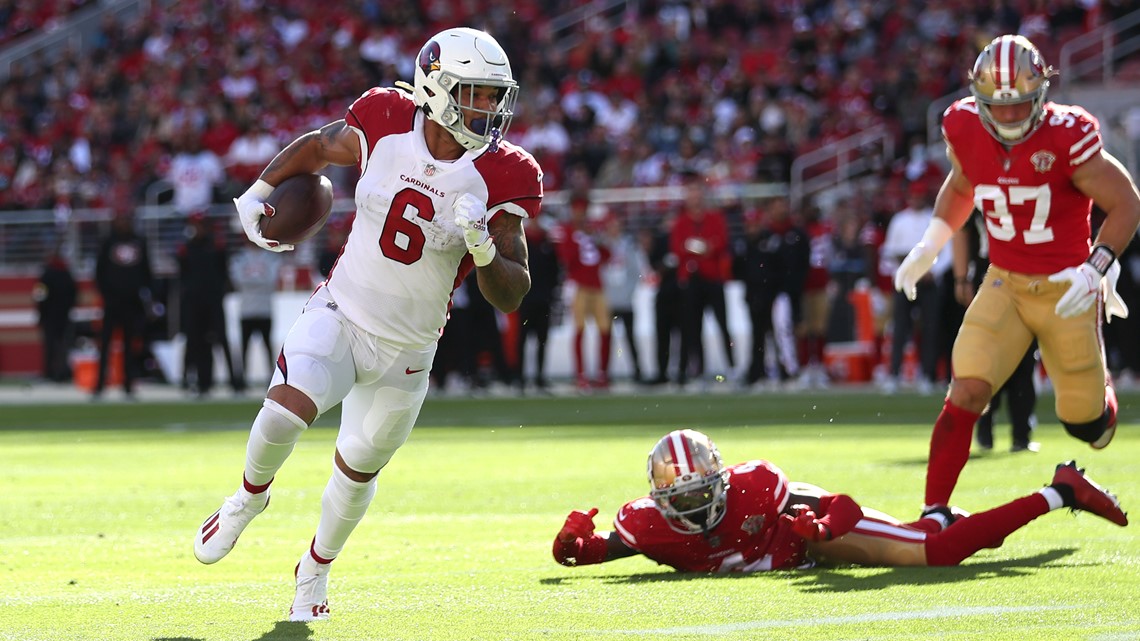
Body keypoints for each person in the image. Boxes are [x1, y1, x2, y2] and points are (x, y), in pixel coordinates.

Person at [193, 27, 541, 622]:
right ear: (436, 87)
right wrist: (260, 189)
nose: (488, 108)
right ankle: (246, 500)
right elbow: (319, 147)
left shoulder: (508, 173)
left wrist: (482, 245)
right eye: (475, 93)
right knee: (282, 413)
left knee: (356, 471)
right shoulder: (385, 117)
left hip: (409, 348)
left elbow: (511, 294)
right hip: (343, 310)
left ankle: (314, 571)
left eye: (493, 95)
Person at [893, 35, 1140, 516]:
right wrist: (932, 241)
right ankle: (934, 511)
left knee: (1086, 426)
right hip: (1005, 279)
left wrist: (1098, 267)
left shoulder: (1068, 133)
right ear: (978, 99)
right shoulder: (963, 123)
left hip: (1068, 285)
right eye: (997, 107)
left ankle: (1101, 393)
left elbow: (1127, 203)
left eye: (1019, 105)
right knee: (966, 387)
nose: (1008, 117)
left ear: (1041, 93)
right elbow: (964, 181)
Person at [552, 430, 1127, 573]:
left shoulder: (758, 486)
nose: (700, 506)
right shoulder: (648, 526)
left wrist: (824, 529)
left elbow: (840, 504)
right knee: (933, 536)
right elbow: (601, 552)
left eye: (704, 490)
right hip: (811, 554)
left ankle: (1059, 490)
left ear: (723, 478)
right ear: (659, 498)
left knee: (940, 551)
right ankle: (936, 516)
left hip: (813, 548)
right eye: (687, 496)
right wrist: (571, 546)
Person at [952, 210, 1039, 453]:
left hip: (1024, 273)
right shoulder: (983, 183)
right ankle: (987, 430)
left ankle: (1019, 433)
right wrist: (961, 278)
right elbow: (961, 228)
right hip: (992, 274)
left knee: (1021, 357)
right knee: (986, 356)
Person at [882, 182, 949, 394]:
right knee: (901, 328)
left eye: (919, 196)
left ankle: (927, 375)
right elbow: (889, 252)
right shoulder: (899, 220)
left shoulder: (934, 218)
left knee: (931, 328)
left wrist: (934, 271)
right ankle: (894, 374)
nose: (916, 199)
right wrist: (904, 271)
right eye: (913, 196)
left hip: (929, 282)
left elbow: (947, 251)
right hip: (905, 281)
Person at [177, 213, 242, 397]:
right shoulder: (187, 249)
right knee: (196, 342)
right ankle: (201, 382)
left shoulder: (217, 247)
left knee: (221, 339)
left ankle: (235, 382)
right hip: (194, 302)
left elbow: (223, 272)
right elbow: (183, 275)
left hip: (213, 301)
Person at [93, 209, 153, 399]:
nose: (123, 223)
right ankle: (100, 385)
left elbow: (147, 271)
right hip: (112, 303)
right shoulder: (108, 242)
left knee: (130, 345)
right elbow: (99, 272)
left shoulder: (139, 242)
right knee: (106, 344)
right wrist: (106, 294)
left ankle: (128, 385)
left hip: (132, 303)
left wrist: (143, 294)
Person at [556, 192, 612, 390]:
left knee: (605, 329)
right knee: (579, 329)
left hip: (597, 284)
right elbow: (566, 258)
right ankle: (580, 374)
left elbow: (606, 254)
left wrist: (596, 238)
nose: (581, 212)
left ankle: (602, 373)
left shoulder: (592, 230)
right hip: (578, 284)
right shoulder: (566, 230)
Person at [600, 213, 647, 384]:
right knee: (606, 339)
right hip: (607, 300)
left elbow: (636, 271)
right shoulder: (602, 245)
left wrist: (630, 291)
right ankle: (604, 373)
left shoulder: (628, 245)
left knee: (630, 338)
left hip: (625, 299)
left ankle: (637, 371)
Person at [229, 239, 282, 389]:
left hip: (265, 309)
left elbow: (271, 281)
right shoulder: (239, 258)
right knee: (245, 348)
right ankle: (241, 380)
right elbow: (238, 281)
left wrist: (251, 280)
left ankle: (271, 379)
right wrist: (259, 279)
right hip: (247, 310)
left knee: (267, 347)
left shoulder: (271, 257)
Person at [32, 246, 77, 382]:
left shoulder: (46, 274)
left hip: (49, 316)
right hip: (64, 315)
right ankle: (63, 372)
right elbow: (74, 294)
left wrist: (41, 312)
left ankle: (49, 373)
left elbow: (40, 295)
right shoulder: (67, 274)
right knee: (63, 345)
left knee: (50, 345)